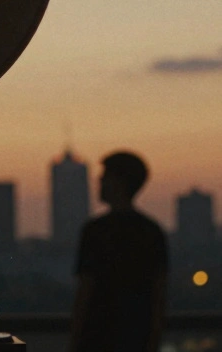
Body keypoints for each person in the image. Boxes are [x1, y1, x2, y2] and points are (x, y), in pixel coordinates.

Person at [68, 151, 168, 352]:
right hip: (136, 337)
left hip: (96, 338)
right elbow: (159, 295)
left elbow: (85, 290)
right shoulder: (151, 231)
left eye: (105, 176)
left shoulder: (96, 230)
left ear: (118, 182)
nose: (99, 181)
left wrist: (74, 341)